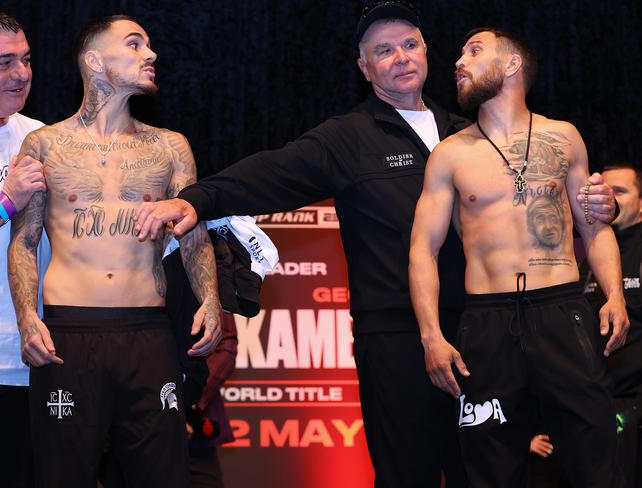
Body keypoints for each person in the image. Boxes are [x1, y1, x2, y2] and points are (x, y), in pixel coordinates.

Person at [133, 3, 616, 487]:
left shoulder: (470, 135)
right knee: (407, 473)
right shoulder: (349, 137)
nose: (400, 57)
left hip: (482, 332)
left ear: (427, 52)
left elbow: (540, 205)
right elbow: (271, 172)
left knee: (489, 472)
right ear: (364, 69)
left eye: (409, 45)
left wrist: (597, 207)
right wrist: (198, 199)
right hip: (396, 339)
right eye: (383, 51)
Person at [409, 27, 628, 488]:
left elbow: (595, 225)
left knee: (596, 460)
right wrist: (431, 335)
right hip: (487, 323)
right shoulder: (449, 155)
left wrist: (614, 295)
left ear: (511, 65)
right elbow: (422, 251)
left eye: (474, 51)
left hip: (562, 311)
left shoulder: (563, 137)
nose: (458, 63)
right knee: (491, 467)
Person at [7, 15, 221, 488]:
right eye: (135, 43)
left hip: (147, 331)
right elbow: (24, 238)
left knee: (163, 475)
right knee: (60, 475)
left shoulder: (170, 147)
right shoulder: (43, 144)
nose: (151, 54)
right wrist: (27, 316)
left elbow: (194, 234)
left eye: (149, 44)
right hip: (68, 335)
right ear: (95, 60)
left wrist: (210, 298)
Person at [0, 9, 48, 488]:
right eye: (4, 62)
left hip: (33, 361)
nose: (22, 73)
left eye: (26, 59)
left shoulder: (41, 137)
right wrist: (6, 203)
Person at [581, 161, 642, 487]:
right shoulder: (590, 252)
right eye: (603, 190)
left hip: (633, 405)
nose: (609, 198)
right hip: (593, 401)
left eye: (620, 191)